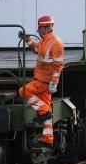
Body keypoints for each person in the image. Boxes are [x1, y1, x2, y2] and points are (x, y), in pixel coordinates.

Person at [17, 15, 64, 150]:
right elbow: (37, 49)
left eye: (40, 28)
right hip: (42, 79)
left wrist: (54, 83)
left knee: (23, 91)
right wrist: (28, 40)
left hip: (45, 81)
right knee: (46, 109)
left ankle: (44, 112)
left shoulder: (56, 43)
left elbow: (58, 65)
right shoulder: (45, 40)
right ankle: (47, 140)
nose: (38, 30)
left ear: (47, 27)